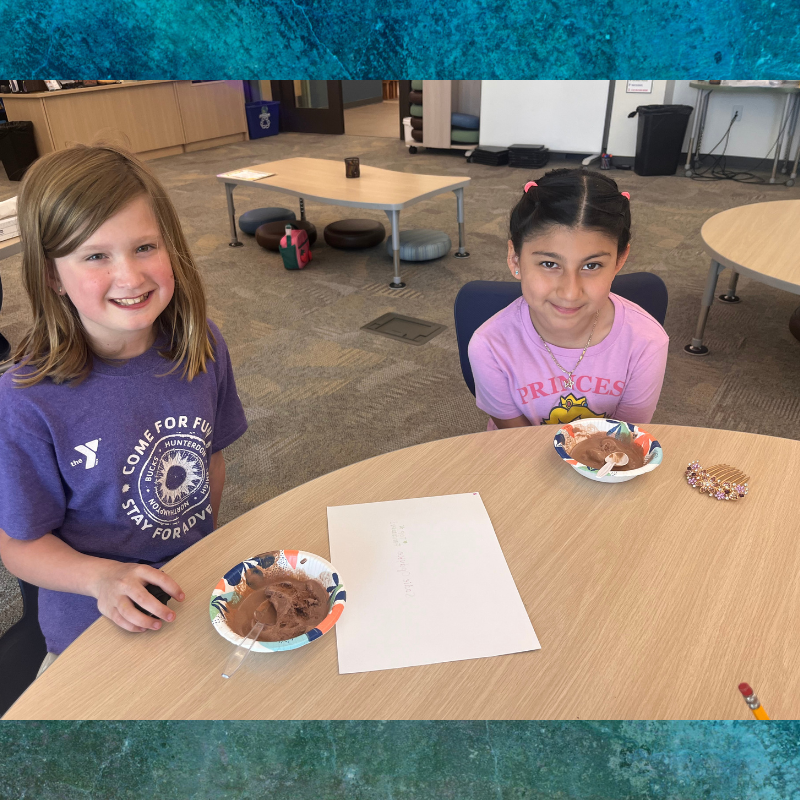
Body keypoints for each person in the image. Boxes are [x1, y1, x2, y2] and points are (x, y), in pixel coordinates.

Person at [0, 144, 248, 671]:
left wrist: (202, 550)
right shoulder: (28, 398)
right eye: (95, 256)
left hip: (191, 591)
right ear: (51, 275)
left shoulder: (201, 344)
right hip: (93, 626)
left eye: (144, 247)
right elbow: (18, 545)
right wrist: (100, 579)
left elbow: (209, 458)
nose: (131, 277)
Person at [469, 168, 669, 430]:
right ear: (515, 258)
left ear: (620, 260)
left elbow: (625, 437)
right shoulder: (489, 345)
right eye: (550, 263)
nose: (570, 292)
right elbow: (514, 442)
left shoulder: (647, 342)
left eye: (592, 266)